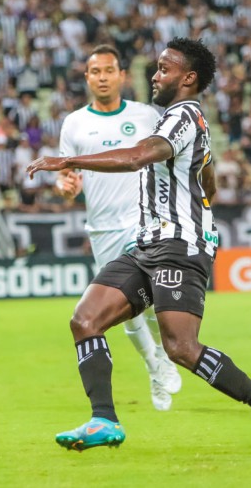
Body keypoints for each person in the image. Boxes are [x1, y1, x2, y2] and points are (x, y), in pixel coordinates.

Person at [27, 38, 251, 456]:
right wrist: (198, 191)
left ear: (188, 78)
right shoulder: (179, 120)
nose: (155, 76)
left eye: (164, 69)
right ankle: (104, 420)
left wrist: (70, 161)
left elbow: (139, 157)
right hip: (148, 242)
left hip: (179, 246)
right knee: (85, 320)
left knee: (181, 348)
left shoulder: (183, 115)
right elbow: (208, 177)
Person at [55, 44, 181, 411]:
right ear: (87, 78)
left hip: (145, 222)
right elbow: (66, 178)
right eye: (96, 72)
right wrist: (65, 188)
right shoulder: (75, 123)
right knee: (125, 311)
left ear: (122, 75)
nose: (103, 77)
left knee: (156, 299)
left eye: (109, 70)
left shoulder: (145, 116)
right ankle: (154, 364)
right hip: (103, 229)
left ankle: (163, 357)